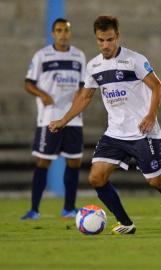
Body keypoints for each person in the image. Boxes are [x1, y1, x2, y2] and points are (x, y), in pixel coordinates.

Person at [49, 15, 161, 235]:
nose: (105, 45)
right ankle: (125, 222)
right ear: (96, 39)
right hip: (115, 133)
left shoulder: (134, 60)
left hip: (142, 131)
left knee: (155, 180)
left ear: (117, 36)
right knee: (96, 177)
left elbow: (158, 87)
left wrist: (151, 115)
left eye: (109, 39)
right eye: (101, 40)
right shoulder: (94, 66)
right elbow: (85, 97)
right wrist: (63, 120)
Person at [21, 18, 86, 220]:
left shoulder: (79, 56)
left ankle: (68, 208)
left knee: (74, 162)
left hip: (73, 118)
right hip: (49, 118)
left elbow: (85, 84)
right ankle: (34, 210)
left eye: (66, 30)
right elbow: (28, 83)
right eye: (59, 30)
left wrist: (80, 95)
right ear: (53, 33)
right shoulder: (42, 55)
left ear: (70, 32)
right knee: (43, 162)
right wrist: (43, 95)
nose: (63, 34)